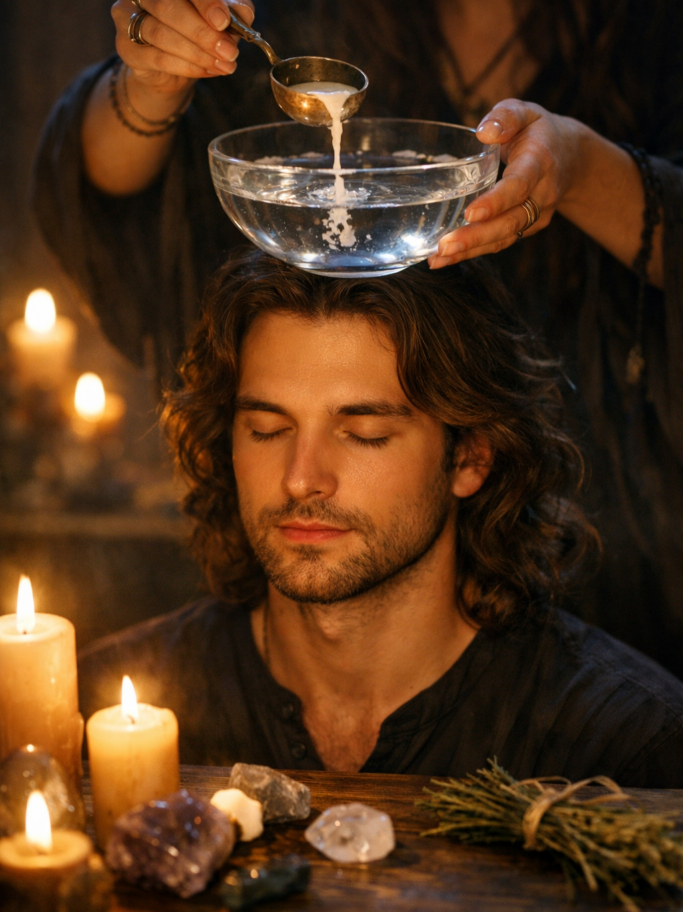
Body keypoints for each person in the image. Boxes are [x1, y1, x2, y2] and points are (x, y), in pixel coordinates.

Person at [34, 0, 683, 673]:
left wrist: (579, 170)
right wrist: (150, 82)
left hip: (629, 533)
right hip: (362, 584)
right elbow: (116, 205)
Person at [77, 252, 683, 784]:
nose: (300, 478)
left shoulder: (628, 747)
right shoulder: (101, 711)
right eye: (267, 429)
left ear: (470, 457)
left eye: (364, 433)